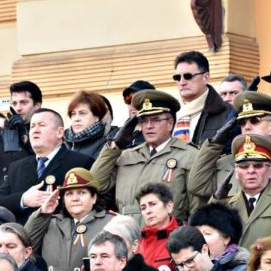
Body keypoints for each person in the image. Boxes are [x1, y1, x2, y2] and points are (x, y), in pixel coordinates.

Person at [91, 90, 199, 222]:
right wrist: (116, 145)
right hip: (129, 232)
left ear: (170, 123)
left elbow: (197, 206)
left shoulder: (189, 155)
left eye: (155, 120)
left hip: (169, 232)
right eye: (143, 120)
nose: (149, 126)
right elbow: (96, 183)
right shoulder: (126, 155)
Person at [0, 109, 93, 225]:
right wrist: (23, 199)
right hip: (24, 233)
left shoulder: (81, 162)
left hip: (63, 232)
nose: (35, 130)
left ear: (60, 132)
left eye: (42, 125)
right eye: (32, 126)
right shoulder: (16, 167)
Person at [26, 168, 111, 271]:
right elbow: (26, 245)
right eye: (69, 194)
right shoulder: (49, 222)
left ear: (94, 198)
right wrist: (42, 213)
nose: (75, 198)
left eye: (82, 193)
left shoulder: (110, 223)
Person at [172, 50, 230, 145]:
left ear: (205, 78)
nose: (182, 82)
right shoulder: (169, 115)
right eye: (177, 78)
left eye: (188, 76)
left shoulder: (228, 114)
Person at [64, 90, 115, 158]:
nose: (76, 119)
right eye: (73, 114)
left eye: (82, 113)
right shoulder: (60, 142)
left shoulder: (108, 144)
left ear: (97, 117)